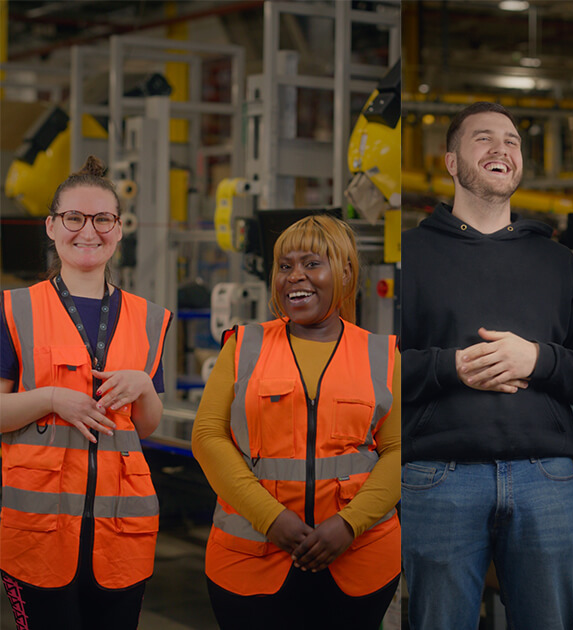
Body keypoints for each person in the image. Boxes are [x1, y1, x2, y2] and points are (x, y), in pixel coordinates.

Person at [400, 101, 573, 630]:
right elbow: (368, 369)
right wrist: (453, 368)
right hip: (439, 478)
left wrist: (537, 359)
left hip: (544, 478)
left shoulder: (557, 263)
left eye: (512, 140)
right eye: (483, 138)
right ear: (451, 162)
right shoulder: (409, 256)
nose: (502, 149)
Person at [192, 214, 402, 629]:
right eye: (285, 266)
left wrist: (348, 524)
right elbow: (208, 437)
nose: (295, 277)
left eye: (311, 264)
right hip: (251, 560)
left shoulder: (381, 354)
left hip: (357, 559)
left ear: (344, 272)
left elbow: (400, 450)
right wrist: (270, 518)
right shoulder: (243, 346)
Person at [1, 156, 173, 630]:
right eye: (74, 218)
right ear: (52, 226)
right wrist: (53, 398)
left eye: (103, 219)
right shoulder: (15, 309)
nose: (88, 231)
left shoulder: (148, 317)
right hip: (38, 532)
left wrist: (141, 386)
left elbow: (147, 424)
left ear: (119, 231)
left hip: (121, 533)